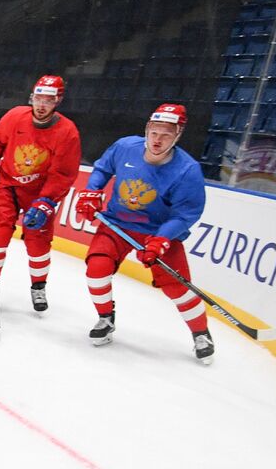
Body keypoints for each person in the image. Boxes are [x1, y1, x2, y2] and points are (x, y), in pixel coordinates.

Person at [75, 103, 212, 362]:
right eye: (154, 132)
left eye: (166, 135)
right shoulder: (126, 147)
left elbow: (185, 214)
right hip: (116, 225)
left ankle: (201, 333)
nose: (157, 140)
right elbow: (104, 167)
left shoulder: (187, 170)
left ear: (178, 135)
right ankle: (106, 319)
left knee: (177, 288)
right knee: (96, 270)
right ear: (147, 129)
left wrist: (162, 238)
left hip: (156, 232)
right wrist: (92, 191)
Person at [0, 75, 81, 312]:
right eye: (38, 98)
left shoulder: (67, 132)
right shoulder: (15, 116)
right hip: (8, 186)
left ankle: (38, 287)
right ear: (32, 97)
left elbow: (63, 173)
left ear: (58, 101)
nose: (41, 105)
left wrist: (47, 200)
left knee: (38, 242)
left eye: (48, 100)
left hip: (39, 193)